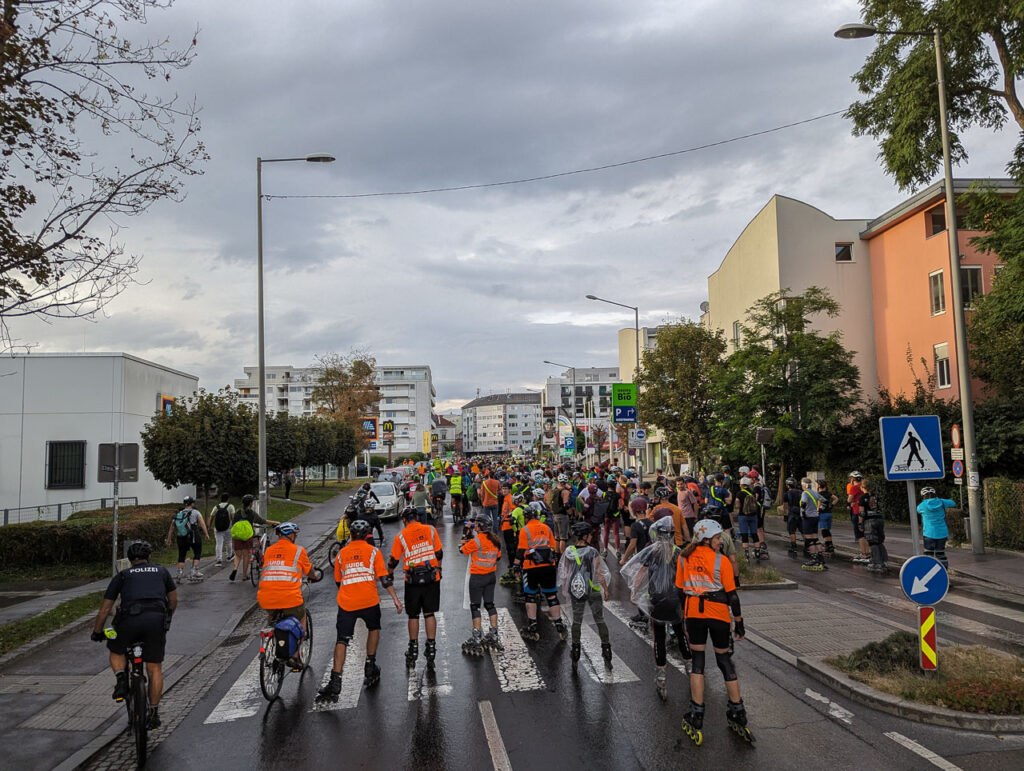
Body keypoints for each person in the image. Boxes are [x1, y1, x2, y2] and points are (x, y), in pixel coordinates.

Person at [676, 519, 750, 744]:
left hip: (694, 615)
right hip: (718, 615)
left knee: (698, 662)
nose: (720, 542)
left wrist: (684, 620)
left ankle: (696, 714)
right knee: (724, 660)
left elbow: (680, 591)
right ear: (706, 539)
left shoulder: (683, 557)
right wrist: (739, 622)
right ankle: (738, 711)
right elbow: (732, 596)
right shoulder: (722, 561)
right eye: (718, 538)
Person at [90, 540, 176, 730]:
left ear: (129, 560)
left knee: (116, 648)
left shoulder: (123, 575)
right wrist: (167, 619)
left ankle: (121, 679)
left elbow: (105, 609)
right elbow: (173, 600)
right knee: (154, 669)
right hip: (155, 620)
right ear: (149, 557)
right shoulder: (162, 571)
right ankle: (153, 713)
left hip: (129, 620)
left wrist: (97, 632)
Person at [317, 520, 403, 701]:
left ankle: (335, 680)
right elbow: (384, 579)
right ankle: (370, 665)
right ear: (367, 535)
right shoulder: (374, 552)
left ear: (351, 535)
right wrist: (395, 599)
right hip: (369, 601)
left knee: (342, 640)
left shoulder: (341, 554)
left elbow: (338, 581)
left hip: (347, 602)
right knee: (374, 629)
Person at [621, 518, 690, 700]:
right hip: (675, 600)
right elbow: (686, 577)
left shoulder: (651, 552)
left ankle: (661, 678)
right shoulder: (678, 553)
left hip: (656, 601)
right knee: (680, 632)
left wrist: (634, 593)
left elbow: (640, 574)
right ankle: (691, 668)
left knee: (658, 638)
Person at [256, 522, 321, 667]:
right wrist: (314, 576)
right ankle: (295, 657)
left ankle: (271, 637)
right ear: (291, 535)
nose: (296, 537)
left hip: (265, 597)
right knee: (301, 618)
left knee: (272, 615)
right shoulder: (298, 551)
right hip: (290, 598)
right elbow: (308, 570)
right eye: (295, 535)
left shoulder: (269, 551)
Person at [388, 506, 444, 669]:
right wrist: (439, 569)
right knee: (429, 613)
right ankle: (431, 648)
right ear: (417, 517)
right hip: (431, 577)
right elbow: (439, 553)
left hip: (412, 580)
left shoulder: (401, 536)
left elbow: (394, 560)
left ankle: (413, 649)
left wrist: (390, 573)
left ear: (405, 520)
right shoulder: (431, 530)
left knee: (413, 615)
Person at [558, 521, 612, 672]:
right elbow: (599, 572)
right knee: (599, 620)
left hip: (576, 590)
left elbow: (566, 572)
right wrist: (606, 589)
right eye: (590, 534)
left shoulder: (569, 551)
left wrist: (565, 589)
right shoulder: (592, 552)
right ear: (586, 536)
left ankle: (575, 652)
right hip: (592, 589)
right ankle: (606, 650)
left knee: (577, 621)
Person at [514, 503, 565, 642]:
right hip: (548, 566)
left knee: (530, 596)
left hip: (531, 567)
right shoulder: (547, 528)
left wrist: (516, 567)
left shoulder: (525, 530)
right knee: (551, 596)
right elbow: (553, 548)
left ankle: (533, 625)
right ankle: (559, 624)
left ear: (526, 517)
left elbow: (521, 551)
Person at [459, 513, 504, 655]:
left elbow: (462, 550)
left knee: (475, 606)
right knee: (490, 604)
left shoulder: (476, 541)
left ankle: (477, 637)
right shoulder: (495, 540)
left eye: (476, 524)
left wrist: (465, 535)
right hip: (490, 576)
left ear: (479, 527)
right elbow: (498, 557)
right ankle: (494, 634)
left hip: (477, 577)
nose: (475, 526)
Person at [229, 494, 278, 582]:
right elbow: (262, 521)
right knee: (246, 555)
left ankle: (235, 568)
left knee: (238, 555)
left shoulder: (238, 512)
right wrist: (275, 522)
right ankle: (244, 576)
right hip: (248, 537)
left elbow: (234, 525)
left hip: (237, 536)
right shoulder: (251, 513)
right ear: (251, 503)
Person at [166, 496, 208, 582]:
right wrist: (206, 534)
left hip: (181, 536)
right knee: (197, 552)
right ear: (192, 503)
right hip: (193, 534)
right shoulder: (196, 512)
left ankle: (179, 574)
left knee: (181, 554)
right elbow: (202, 524)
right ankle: (193, 572)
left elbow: (171, 528)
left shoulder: (179, 514)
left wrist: (169, 539)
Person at [917, 487, 955, 568]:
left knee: (928, 555)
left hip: (929, 533)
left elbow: (918, 510)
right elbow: (953, 503)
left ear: (923, 496)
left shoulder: (922, 506)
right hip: (942, 533)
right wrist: (939, 500)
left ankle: (928, 571)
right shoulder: (942, 502)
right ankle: (944, 571)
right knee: (941, 554)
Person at [859, 478, 888, 573]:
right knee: (879, 541)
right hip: (879, 519)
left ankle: (877, 563)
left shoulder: (863, 497)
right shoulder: (876, 496)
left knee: (873, 542)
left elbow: (862, 513)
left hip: (869, 521)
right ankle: (884, 561)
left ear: (862, 487)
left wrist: (860, 523)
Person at [799, 478, 827, 571]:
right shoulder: (815, 492)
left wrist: (803, 514)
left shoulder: (805, 493)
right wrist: (820, 509)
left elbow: (803, 504)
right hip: (815, 517)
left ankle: (814, 558)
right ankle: (820, 558)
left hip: (808, 517)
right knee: (815, 538)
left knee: (808, 539)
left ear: (804, 485)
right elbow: (825, 501)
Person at [847, 471, 870, 563]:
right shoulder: (865, 487)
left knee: (860, 535)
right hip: (866, 512)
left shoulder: (854, 488)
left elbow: (849, 499)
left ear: (853, 479)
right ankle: (868, 553)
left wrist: (851, 502)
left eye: (850, 479)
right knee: (866, 534)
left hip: (857, 512)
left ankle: (864, 554)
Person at [207, 493, 235, 567]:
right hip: (228, 528)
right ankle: (229, 556)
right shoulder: (230, 506)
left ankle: (219, 560)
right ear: (227, 499)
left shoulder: (216, 507)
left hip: (218, 528)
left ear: (221, 499)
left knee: (219, 544)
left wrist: (209, 526)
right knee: (228, 542)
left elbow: (211, 516)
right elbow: (233, 517)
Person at [736, 477, 760, 561]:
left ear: (741, 484)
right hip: (753, 515)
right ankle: (757, 551)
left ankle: (746, 554)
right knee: (754, 533)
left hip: (743, 515)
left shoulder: (739, 493)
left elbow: (737, 505)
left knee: (744, 534)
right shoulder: (752, 492)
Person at [550, 474, 572, 560]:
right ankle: (563, 556)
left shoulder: (554, 490)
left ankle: (556, 555)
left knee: (557, 537)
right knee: (563, 537)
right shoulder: (565, 491)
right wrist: (569, 512)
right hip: (562, 515)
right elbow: (566, 504)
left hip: (554, 514)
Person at [816, 480, 839, 555]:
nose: (816, 485)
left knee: (824, 531)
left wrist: (817, 512)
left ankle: (827, 546)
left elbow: (819, 504)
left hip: (822, 514)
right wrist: (831, 505)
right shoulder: (828, 493)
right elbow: (836, 499)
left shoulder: (818, 494)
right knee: (827, 530)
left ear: (819, 486)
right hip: (829, 513)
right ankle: (830, 545)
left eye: (817, 484)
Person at [781, 478, 802, 554]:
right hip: (800, 513)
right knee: (803, 531)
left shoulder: (786, 494)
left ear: (788, 485)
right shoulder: (801, 492)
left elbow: (785, 507)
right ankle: (807, 547)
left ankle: (793, 547)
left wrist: (785, 516)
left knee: (792, 531)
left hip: (792, 515)